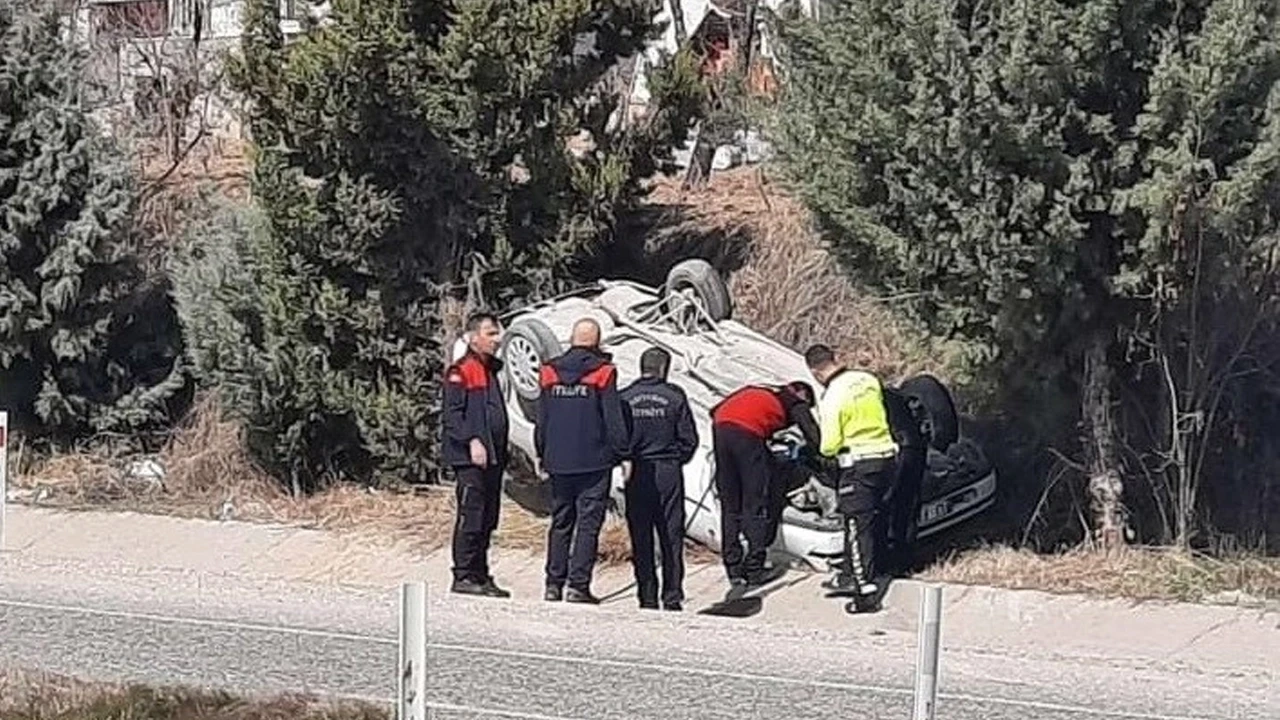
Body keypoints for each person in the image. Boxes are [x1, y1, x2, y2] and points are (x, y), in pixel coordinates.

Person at [535, 318, 629, 604]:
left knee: (561, 522)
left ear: (571, 339)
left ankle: (553, 583)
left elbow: (543, 417)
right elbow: (612, 418)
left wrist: (541, 451)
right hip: (594, 460)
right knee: (588, 524)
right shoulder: (604, 372)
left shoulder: (549, 371)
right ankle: (578, 586)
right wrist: (623, 453)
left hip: (558, 460)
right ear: (597, 342)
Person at [804, 343, 900, 610]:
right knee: (874, 519)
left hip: (858, 464)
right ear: (835, 359)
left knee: (857, 526)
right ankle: (854, 574)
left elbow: (829, 444)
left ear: (815, 372)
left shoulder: (832, 395)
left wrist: (821, 450)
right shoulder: (867, 380)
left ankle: (864, 591)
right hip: (887, 458)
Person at [709, 380, 820, 589]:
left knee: (730, 504)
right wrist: (824, 458)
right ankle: (754, 569)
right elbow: (812, 435)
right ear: (803, 394)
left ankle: (733, 568)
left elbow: (713, 410)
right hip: (748, 433)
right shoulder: (795, 401)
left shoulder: (757, 390)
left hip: (721, 428)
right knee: (755, 501)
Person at [620, 347, 699, 611]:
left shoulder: (625, 397)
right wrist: (676, 459)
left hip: (636, 471)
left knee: (640, 535)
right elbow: (689, 439)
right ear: (664, 368)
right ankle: (673, 595)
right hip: (667, 469)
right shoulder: (675, 396)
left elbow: (616, 438)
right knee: (671, 534)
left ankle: (647, 596)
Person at [442, 312, 511, 598]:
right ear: (473, 338)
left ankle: (480, 573)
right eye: (490, 334)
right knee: (472, 514)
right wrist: (472, 440)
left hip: (493, 457)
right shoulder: (461, 371)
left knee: (488, 517)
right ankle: (464, 574)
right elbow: (452, 415)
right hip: (470, 457)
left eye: (497, 333)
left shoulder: (490, 369)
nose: (497, 339)